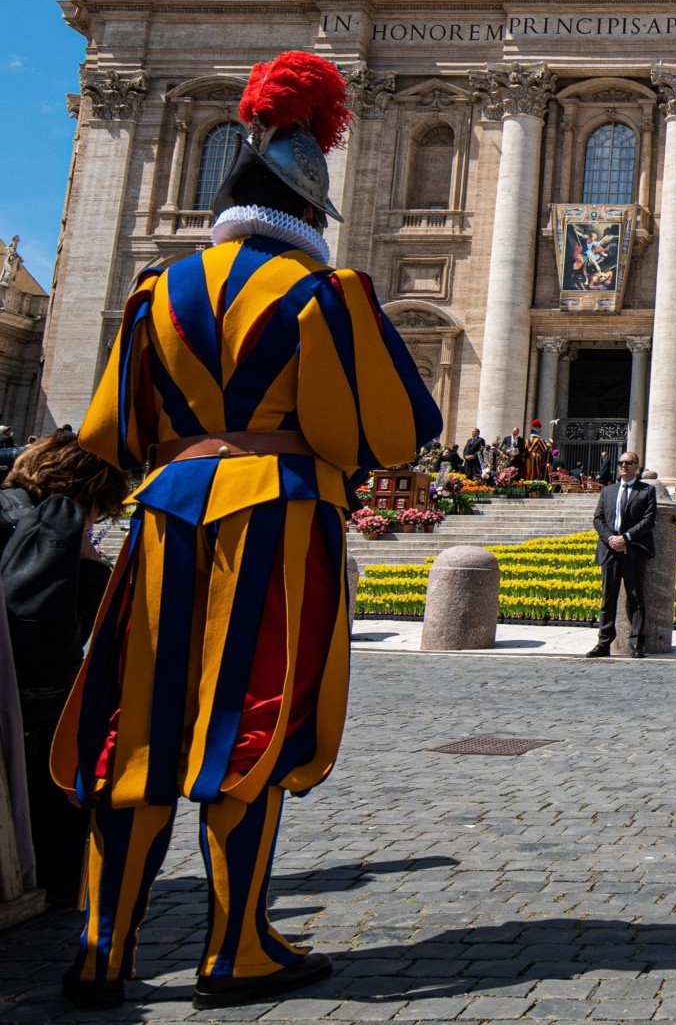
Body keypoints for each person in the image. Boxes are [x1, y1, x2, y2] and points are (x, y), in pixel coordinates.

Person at [55, 51, 439, 1009]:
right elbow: (398, 433)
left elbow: (110, 431)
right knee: (250, 717)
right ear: (307, 215)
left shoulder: (154, 293)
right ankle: (237, 950)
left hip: (164, 515)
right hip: (276, 518)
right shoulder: (324, 293)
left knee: (136, 724)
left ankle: (105, 949)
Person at [1, 431, 128, 915]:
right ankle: (55, 886)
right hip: (33, 702)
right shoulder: (55, 527)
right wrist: (91, 566)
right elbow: (64, 632)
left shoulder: (8, 506)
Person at [588, 450, 657, 658]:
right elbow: (598, 519)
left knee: (635, 596)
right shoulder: (607, 491)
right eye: (620, 463)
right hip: (610, 549)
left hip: (633, 548)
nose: (623, 466)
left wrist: (625, 538)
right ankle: (603, 642)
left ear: (637, 466)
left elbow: (648, 520)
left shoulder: (646, 491)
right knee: (608, 597)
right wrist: (611, 539)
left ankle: (637, 643)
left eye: (628, 463)